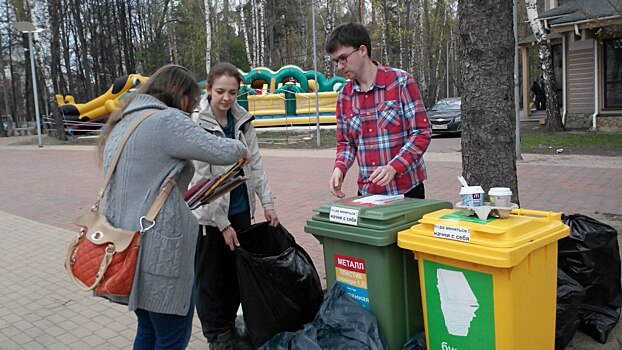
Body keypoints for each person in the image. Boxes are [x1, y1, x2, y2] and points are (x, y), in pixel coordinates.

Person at [96, 64, 250, 350]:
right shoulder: (166, 121)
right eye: (191, 103)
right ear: (180, 96)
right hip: (159, 250)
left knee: (149, 329)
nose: (191, 110)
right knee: (172, 336)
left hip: (126, 248)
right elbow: (220, 150)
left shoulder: (124, 121)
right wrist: (243, 148)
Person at [191, 62, 279, 349]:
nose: (226, 98)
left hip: (241, 210)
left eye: (232, 92)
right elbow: (204, 181)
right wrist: (223, 224)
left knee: (235, 273)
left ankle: (230, 326)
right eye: (220, 91)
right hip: (210, 218)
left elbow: (256, 164)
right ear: (208, 90)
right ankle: (216, 334)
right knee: (212, 278)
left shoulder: (242, 120)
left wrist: (267, 202)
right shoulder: (197, 125)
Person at [325, 22, 431, 199]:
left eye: (343, 58)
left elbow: (422, 132)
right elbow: (346, 143)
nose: (340, 67)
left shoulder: (401, 82)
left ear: (362, 50)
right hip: (367, 193)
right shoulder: (345, 95)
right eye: (336, 61)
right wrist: (339, 168)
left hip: (407, 192)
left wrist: (394, 167)